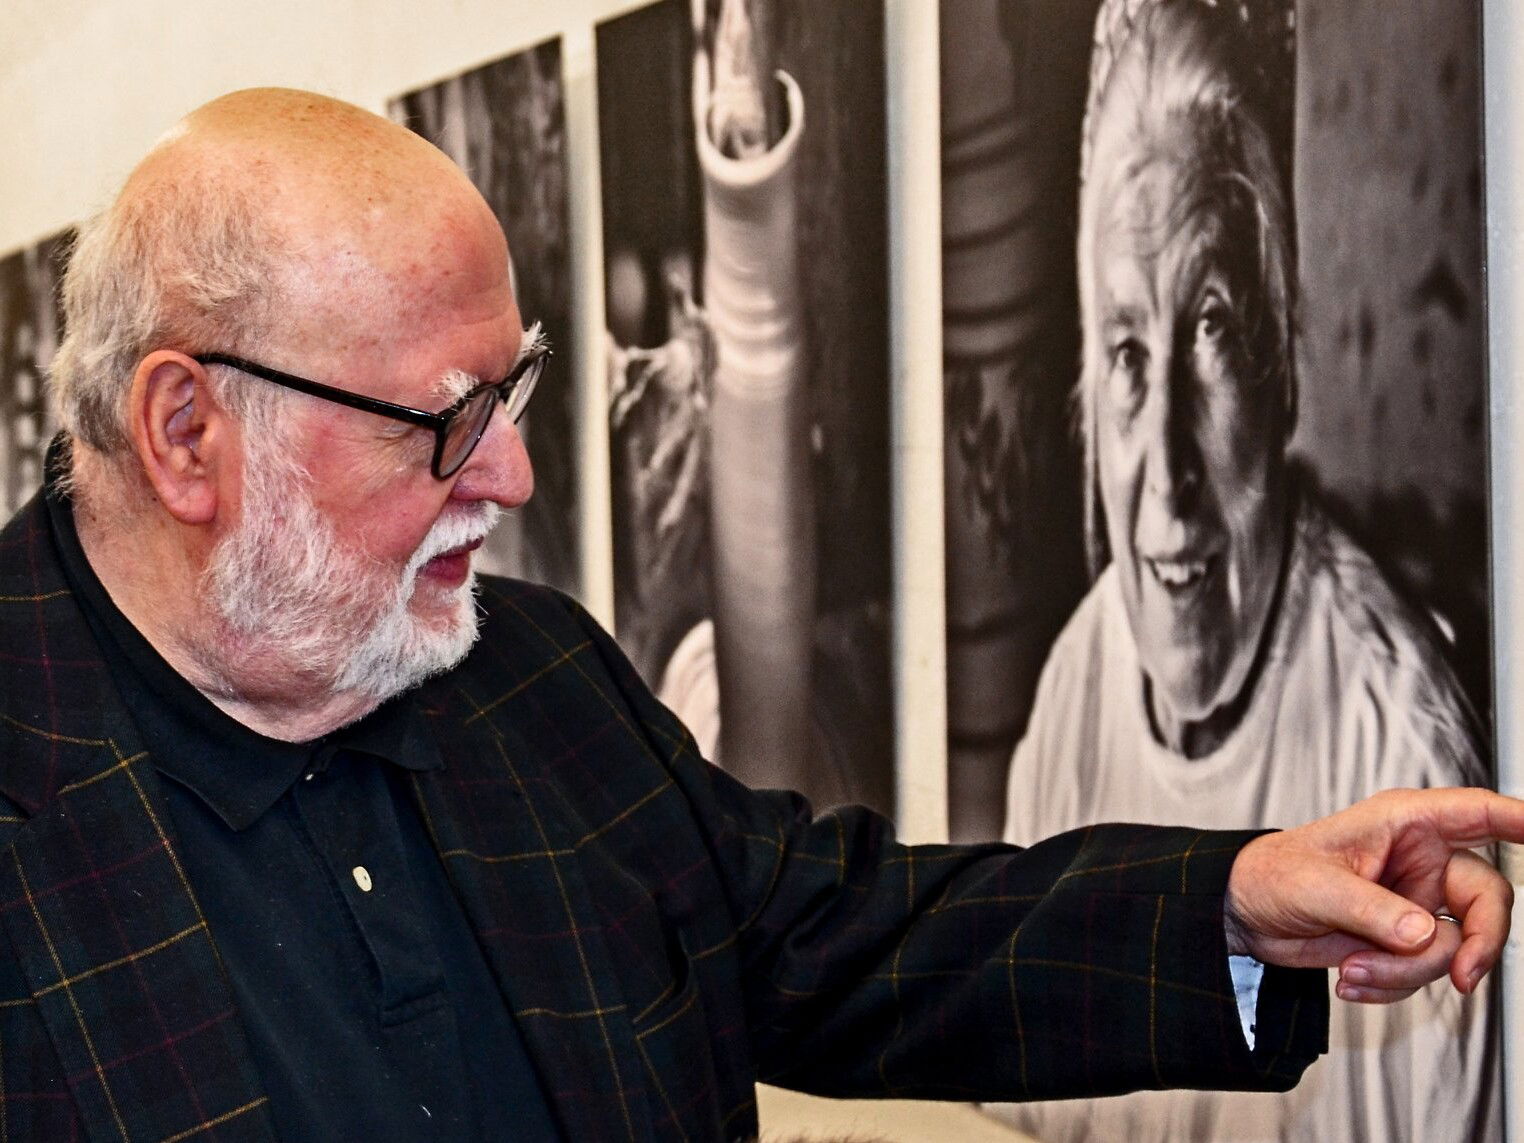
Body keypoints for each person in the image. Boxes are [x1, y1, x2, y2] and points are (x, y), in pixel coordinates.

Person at [0, 87, 1514, 1143]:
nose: (513, 473)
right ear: (188, 430)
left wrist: (1238, 901)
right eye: (448, 418)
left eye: (514, 390)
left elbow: (846, 936)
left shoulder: (534, 681)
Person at [1001, 3, 1497, 1140]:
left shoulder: (1401, 756)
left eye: (1214, 330)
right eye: (1126, 352)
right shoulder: (1073, 696)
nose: (1166, 474)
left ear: (1282, 377)